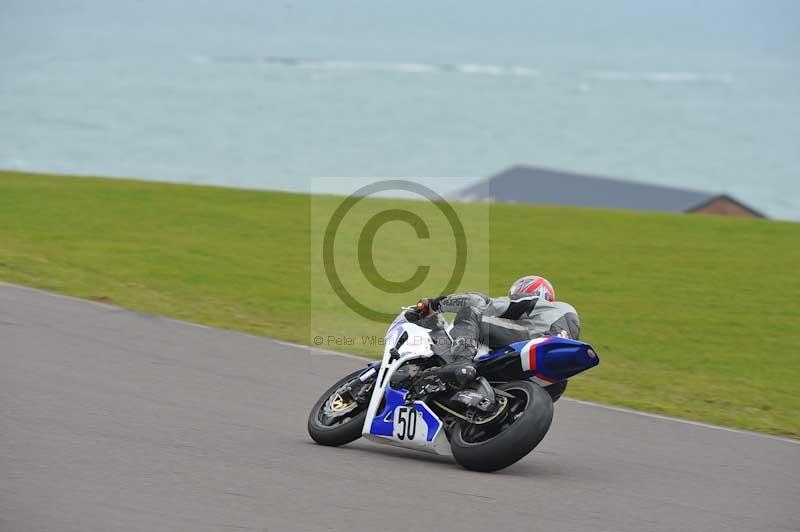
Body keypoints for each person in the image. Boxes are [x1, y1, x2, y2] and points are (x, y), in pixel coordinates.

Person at [405, 275, 580, 400]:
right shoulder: (568, 321)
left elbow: (482, 304)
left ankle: (461, 362)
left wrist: (435, 304)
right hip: (553, 382)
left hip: (530, 340)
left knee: (471, 313)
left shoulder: (538, 304)